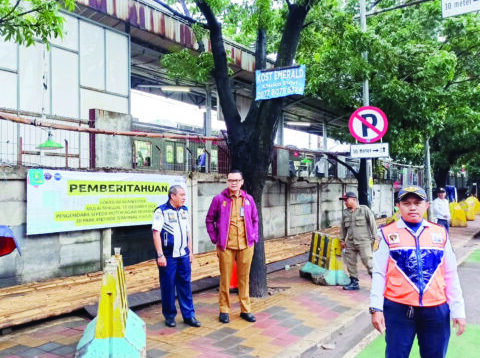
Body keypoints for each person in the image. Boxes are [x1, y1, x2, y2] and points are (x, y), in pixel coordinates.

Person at [370, 185, 466, 358]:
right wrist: (376, 308)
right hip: (399, 308)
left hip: (436, 309)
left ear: (426, 205)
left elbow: (451, 274)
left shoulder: (440, 233)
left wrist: (458, 310)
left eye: (417, 202)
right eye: (406, 203)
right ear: (398, 206)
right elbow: (379, 273)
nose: (412, 207)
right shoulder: (385, 233)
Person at [205, 169, 259, 324]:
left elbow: (255, 220)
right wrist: (215, 238)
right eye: (230, 180)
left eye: (236, 180)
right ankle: (224, 309)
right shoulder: (219, 199)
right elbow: (209, 220)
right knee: (225, 279)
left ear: (241, 182)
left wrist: (254, 236)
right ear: (227, 182)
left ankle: (245, 309)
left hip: (246, 245)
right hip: (226, 247)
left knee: (244, 279)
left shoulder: (248, 199)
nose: (233, 183)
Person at [152, 185, 201, 328]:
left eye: (185, 195)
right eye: (181, 195)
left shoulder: (184, 211)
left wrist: (190, 252)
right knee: (168, 286)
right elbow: (156, 233)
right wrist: (160, 255)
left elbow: (187, 233)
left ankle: (189, 315)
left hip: (183, 255)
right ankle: (169, 315)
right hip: (168, 256)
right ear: (172, 196)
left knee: (185, 285)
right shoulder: (161, 211)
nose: (184, 197)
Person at [339, 191, 377, 290]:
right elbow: (343, 228)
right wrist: (342, 240)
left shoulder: (364, 210)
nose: (345, 202)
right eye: (344, 201)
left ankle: (378, 283)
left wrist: (374, 238)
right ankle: (354, 282)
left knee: (368, 261)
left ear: (354, 199)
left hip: (364, 242)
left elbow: (372, 224)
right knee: (350, 263)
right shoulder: (345, 213)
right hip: (350, 242)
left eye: (346, 200)